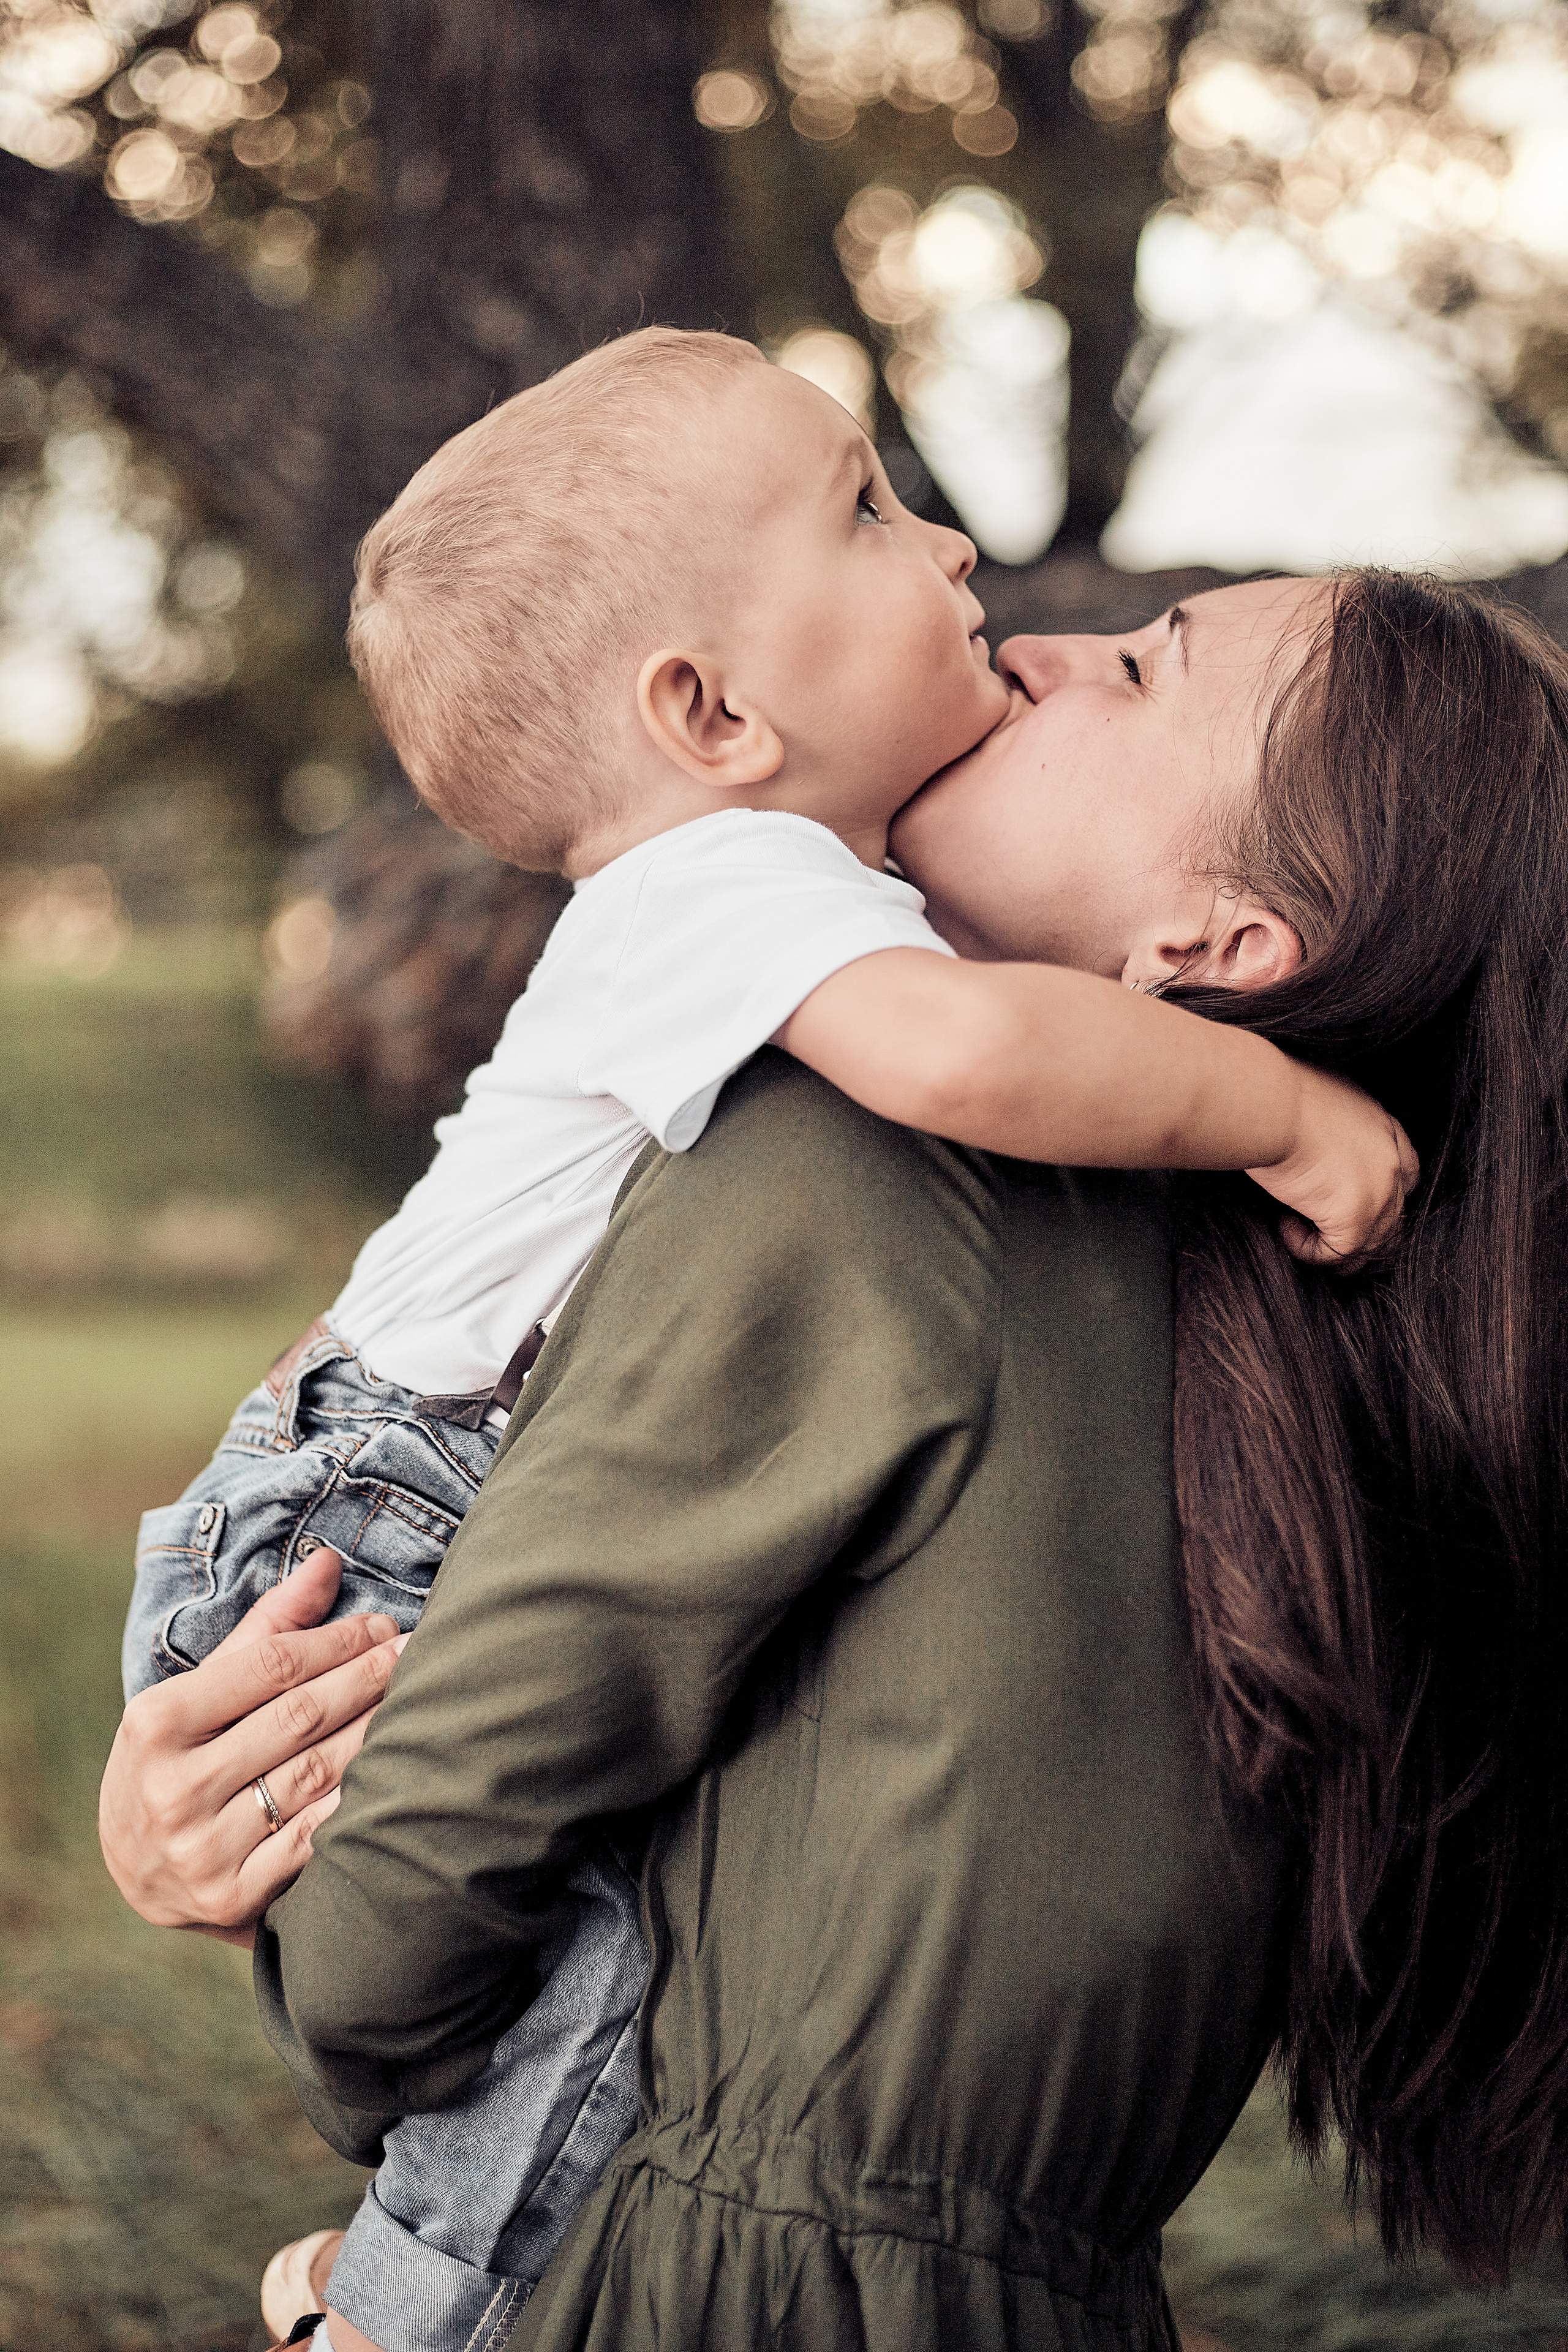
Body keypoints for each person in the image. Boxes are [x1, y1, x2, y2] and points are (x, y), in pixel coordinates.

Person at [102, 570, 1568, 2348]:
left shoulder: (873, 1174)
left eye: (1137, 666)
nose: (1031, 648)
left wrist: (280, 1913)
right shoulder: (1293, 1372)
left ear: (1224, 941)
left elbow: (398, 1928)